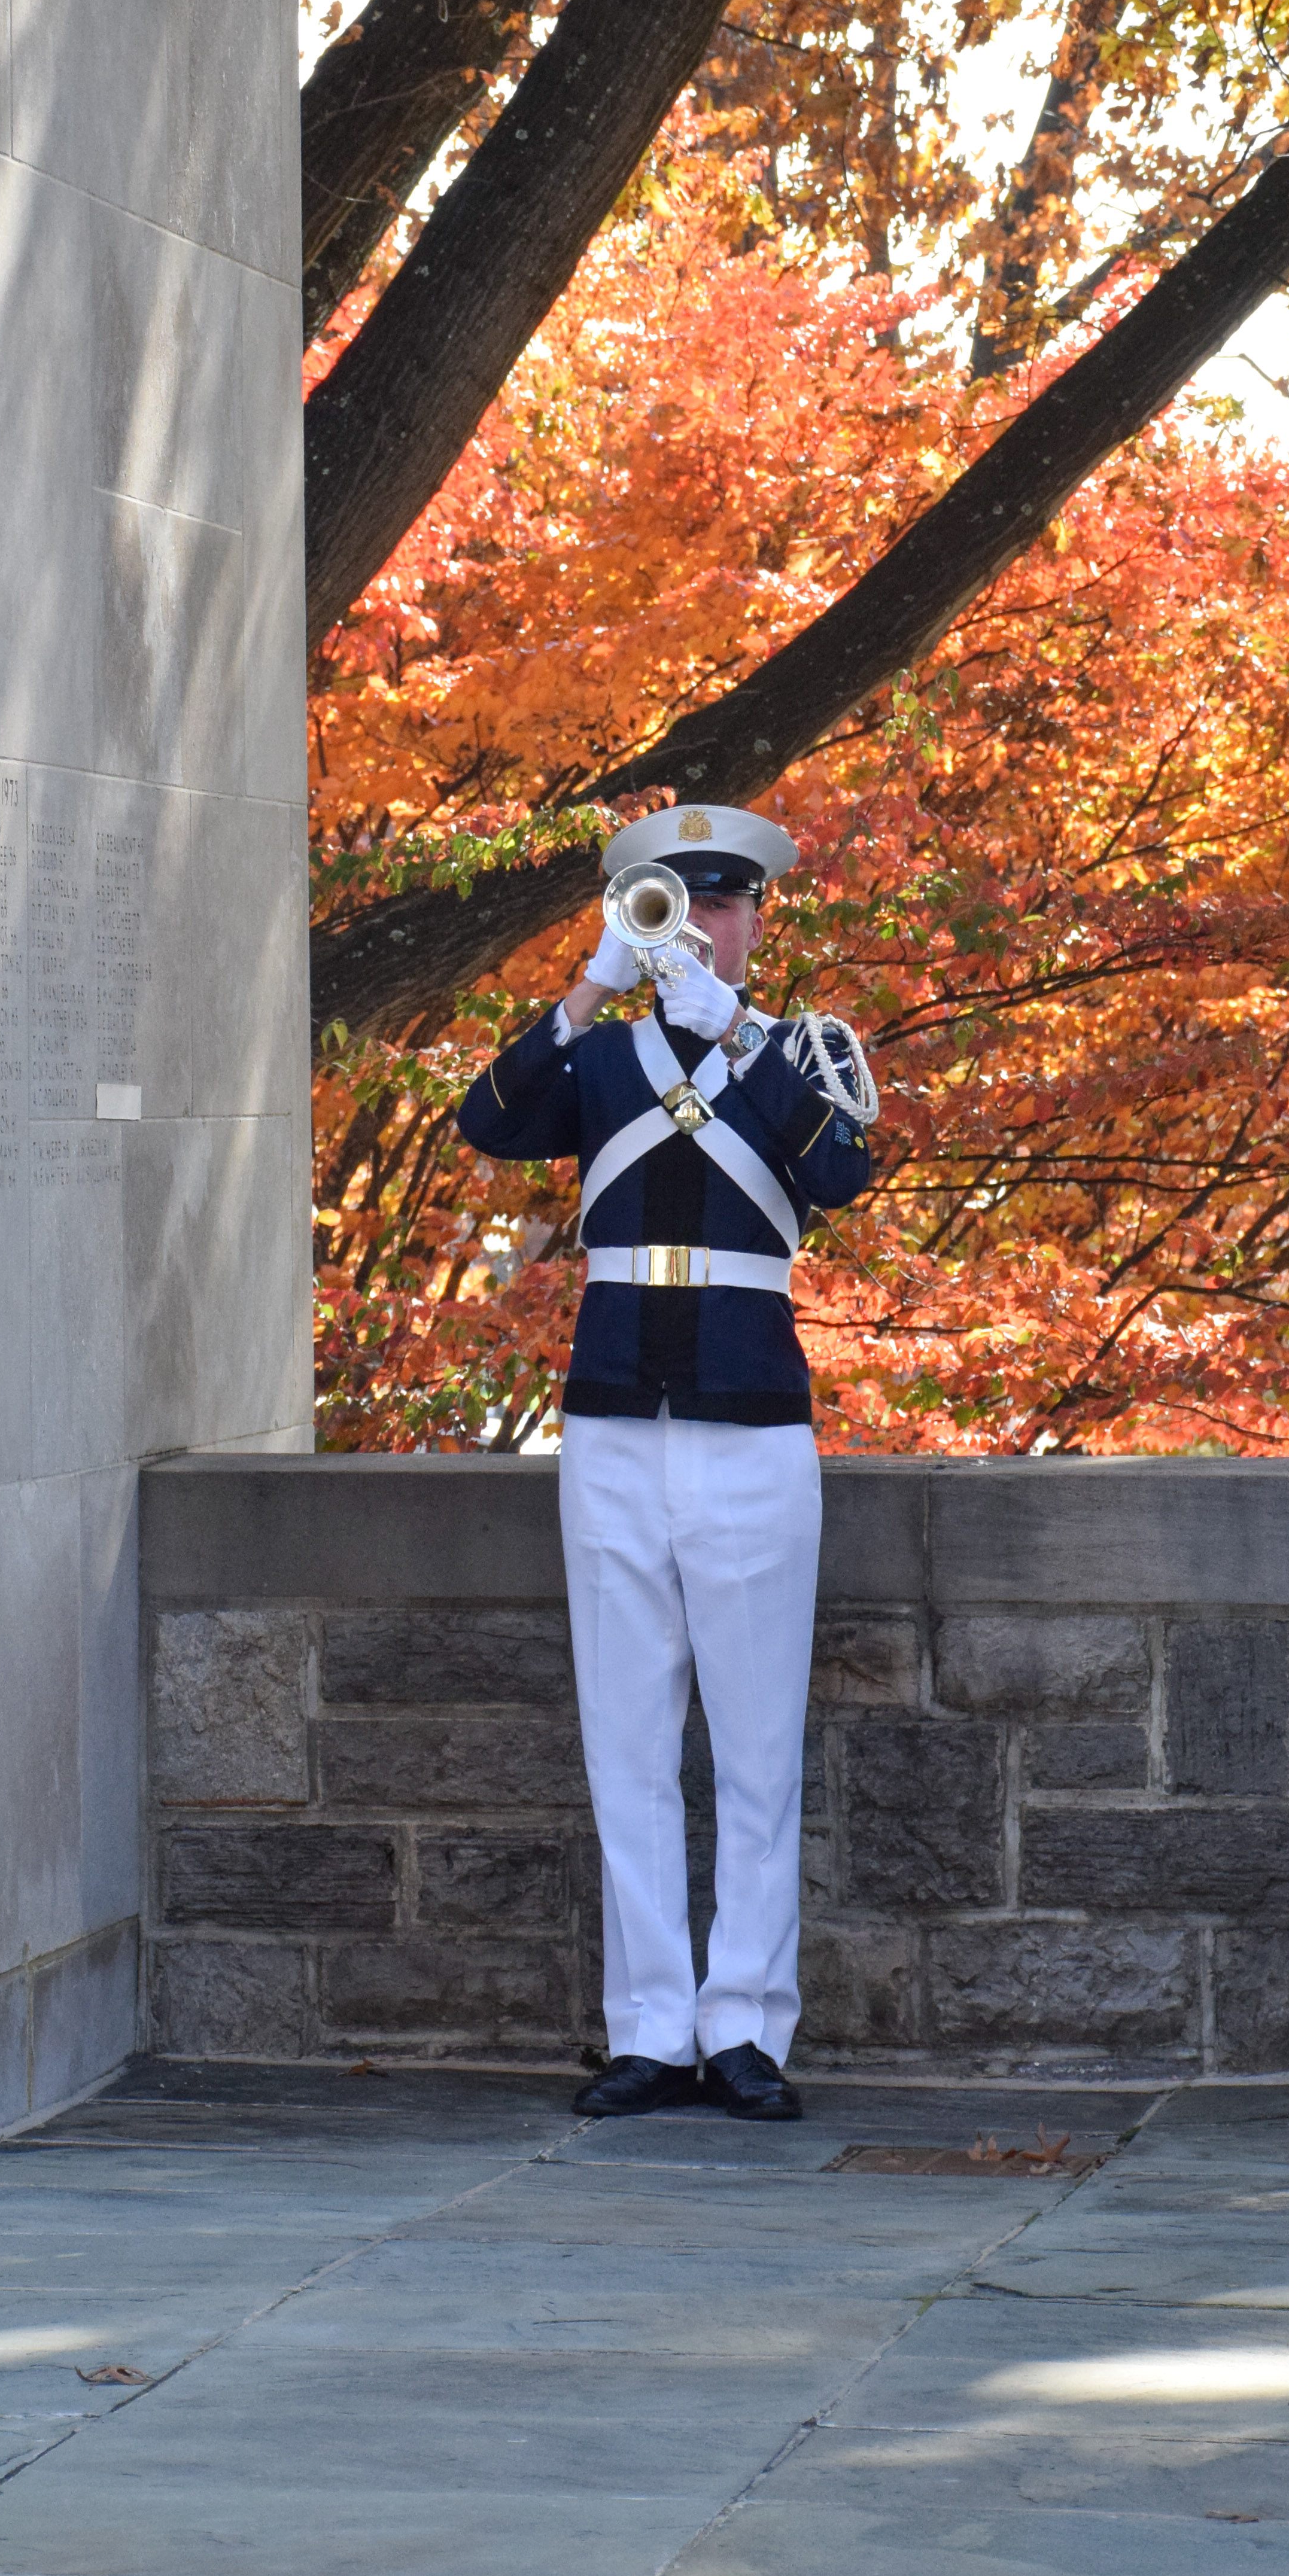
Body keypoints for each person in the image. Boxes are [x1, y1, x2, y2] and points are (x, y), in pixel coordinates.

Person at [456, 803, 877, 2121]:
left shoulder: (795, 1052)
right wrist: (590, 983)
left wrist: (735, 1033)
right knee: (624, 1743)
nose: (700, 922)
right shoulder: (597, 1058)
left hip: (750, 1427)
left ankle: (744, 2026)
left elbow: (844, 1173)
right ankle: (644, 2026)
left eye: (725, 902)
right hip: (612, 1422)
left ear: (758, 916)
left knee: (755, 1751)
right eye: (671, 901)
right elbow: (485, 1120)